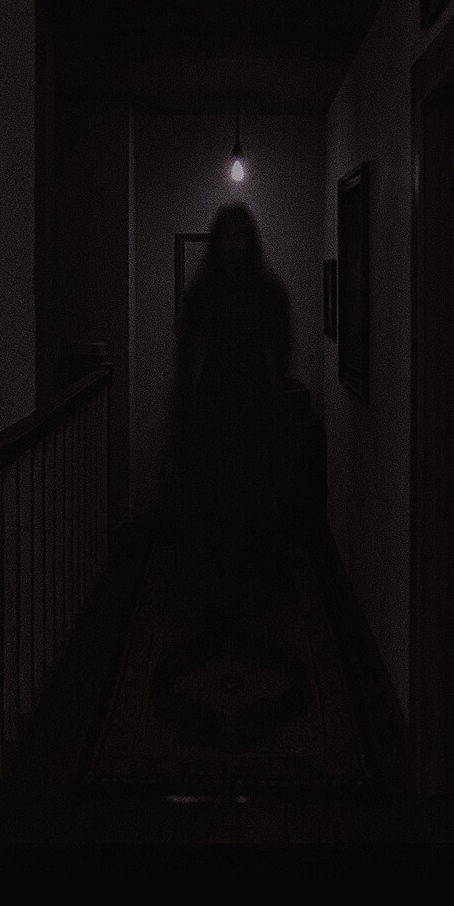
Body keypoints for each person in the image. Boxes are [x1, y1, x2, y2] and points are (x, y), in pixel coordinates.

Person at [164, 203, 294, 634]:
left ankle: (245, 602)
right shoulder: (204, 295)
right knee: (214, 509)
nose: (233, 246)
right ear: (217, 243)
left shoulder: (267, 293)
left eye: (240, 238)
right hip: (215, 413)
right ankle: (215, 602)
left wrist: (274, 416)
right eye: (227, 238)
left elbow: (280, 359)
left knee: (249, 509)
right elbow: (187, 365)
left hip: (253, 412)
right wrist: (182, 423)